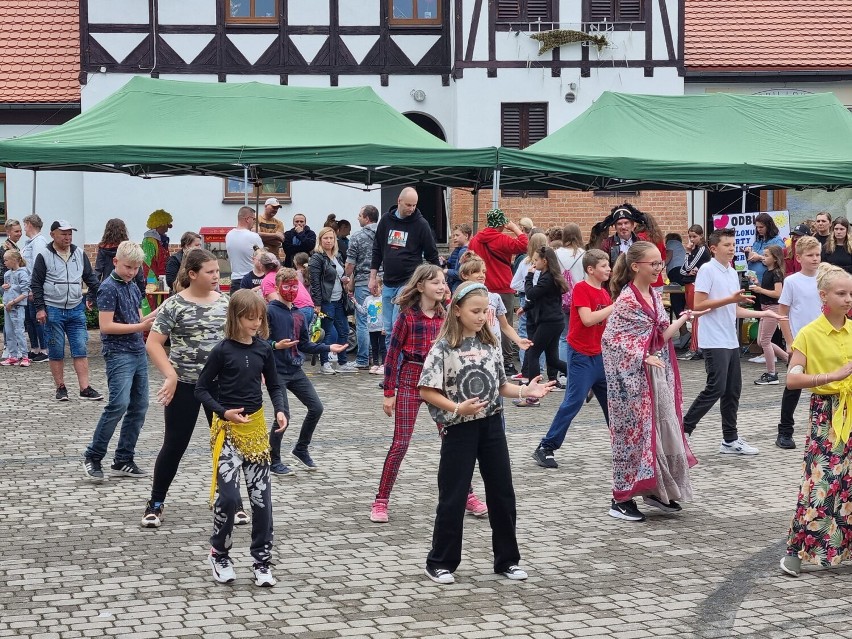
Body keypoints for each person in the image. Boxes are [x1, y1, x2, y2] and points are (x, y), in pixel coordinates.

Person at [418, 280, 554, 584]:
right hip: (459, 428)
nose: (481, 317)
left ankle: (507, 560)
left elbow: (501, 386)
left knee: (503, 494)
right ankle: (440, 561)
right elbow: (427, 390)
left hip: (492, 425)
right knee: (453, 497)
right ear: (457, 311)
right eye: (475, 311)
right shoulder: (443, 348)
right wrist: (456, 409)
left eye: (485, 312)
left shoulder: (490, 344)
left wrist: (525, 391)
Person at [370, 265, 487, 523]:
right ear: (421, 286)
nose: (442, 286)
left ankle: (466, 495)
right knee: (400, 443)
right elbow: (391, 355)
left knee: (452, 442)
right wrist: (389, 391)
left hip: (439, 382)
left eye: (444, 282)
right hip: (411, 378)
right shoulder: (407, 317)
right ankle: (381, 500)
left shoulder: (447, 316)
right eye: (436, 282)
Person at [195, 290, 287, 587]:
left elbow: (275, 384)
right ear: (236, 317)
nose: (256, 323)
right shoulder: (222, 351)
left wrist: (281, 410)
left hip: (257, 433)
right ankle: (219, 552)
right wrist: (223, 412)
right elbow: (201, 389)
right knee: (231, 498)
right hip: (228, 433)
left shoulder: (263, 349)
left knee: (261, 501)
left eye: (259, 317)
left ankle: (262, 560)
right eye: (250, 317)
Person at [602, 241, 699, 522]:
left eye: (661, 263)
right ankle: (620, 498)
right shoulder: (626, 300)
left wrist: (684, 320)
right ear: (636, 267)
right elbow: (612, 340)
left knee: (658, 433)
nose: (659, 268)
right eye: (654, 264)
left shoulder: (655, 295)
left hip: (653, 377)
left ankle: (656, 489)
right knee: (634, 437)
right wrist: (641, 356)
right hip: (631, 382)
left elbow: (657, 337)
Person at [140, 249, 230, 528]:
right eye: (210, 272)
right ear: (192, 274)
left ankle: (230, 500)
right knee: (175, 445)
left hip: (220, 387)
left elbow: (239, 342)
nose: (217, 276)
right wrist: (170, 375)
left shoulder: (227, 303)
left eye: (218, 271)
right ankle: (155, 503)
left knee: (225, 446)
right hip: (185, 386)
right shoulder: (173, 305)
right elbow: (153, 343)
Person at [681, 228, 786, 455]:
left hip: (729, 339)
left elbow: (734, 309)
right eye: (727, 245)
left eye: (733, 244)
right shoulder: (708, 270)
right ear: (714, 248)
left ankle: (730, 440)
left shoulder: (731, 272)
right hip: (713, 339)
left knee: (732, 391)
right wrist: (730, 299)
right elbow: (698, 305)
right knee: (715, 388)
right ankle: (683, 431)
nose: (732, 249)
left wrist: (764, 314)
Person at [779, 262, 852, 578]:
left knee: (849, 483)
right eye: (841, 293)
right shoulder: (809, 333)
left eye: (850, 293)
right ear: (824, 296)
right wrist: (830, 376)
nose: (848, 298)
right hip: (826, 412)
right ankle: (795, 553)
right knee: (820, 483)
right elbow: (792, 380)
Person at [532, 249, 613, 469]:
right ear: (590, 269)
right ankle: (545, 447)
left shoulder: (605, 293)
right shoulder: (581, 289)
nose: (609, 269)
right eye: (604, 266)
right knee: (573, 402)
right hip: (581, 356)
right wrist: (615, 307)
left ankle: (623, 445)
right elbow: (587, 319)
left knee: (612, 404)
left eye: (608, 265)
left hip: (600, 357)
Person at [82, 241, 156, 482]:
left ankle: (123, 458)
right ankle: (93, 456)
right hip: (118, 354)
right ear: (115, 262)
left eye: (136, 268)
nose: (132, 272)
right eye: (128, 267)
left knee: (139, 406)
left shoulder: (132, 284)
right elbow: (105, 326)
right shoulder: (108, 288)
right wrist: (142, 325)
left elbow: (137, 315)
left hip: (136, 351)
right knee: (118, 405)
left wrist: (151, 318)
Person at [266, 268, 346, 475]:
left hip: (295, 369)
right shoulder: (269, 312)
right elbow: (259, 342)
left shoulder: (299, 314)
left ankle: (301, 448)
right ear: (277, 287)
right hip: (276, 372)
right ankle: (273, 459)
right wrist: (275, 345)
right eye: (287, 286)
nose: (291, 290)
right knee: (283, 415)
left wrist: (329, 348)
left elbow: (304, 345)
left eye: (295, 286)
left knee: (316, 408)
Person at [30, 220, 102, 402]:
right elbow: (36, 284)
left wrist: (95, 296)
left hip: (76, 308)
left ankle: (84, 388)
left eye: (70, 233)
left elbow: (90, 278)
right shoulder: (44, 255)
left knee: (80, 349)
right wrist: (40, 309)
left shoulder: (79, 253)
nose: (68, 237)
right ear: (53, 234)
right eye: (63, 234)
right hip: (53, 308)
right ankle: (60, 387)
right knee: (56, 350)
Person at [369, 187, 440, 350]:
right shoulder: (386, 220)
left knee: (396, 325)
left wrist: (439, 280)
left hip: (408, 282)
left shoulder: (421, 224)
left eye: (414, 205)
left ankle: (399, 368)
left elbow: (432, 254)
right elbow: (377, 249)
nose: (411, 209)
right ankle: (391, 367)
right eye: (408, 205)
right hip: (388, 282)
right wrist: (372, 277)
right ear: (399, 202)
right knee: (387, 329)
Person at [775, 236, 822, 450]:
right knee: (792, 388)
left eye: (818, 255)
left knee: (828, 384)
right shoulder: (792, 281)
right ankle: (785, 431)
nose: (815, 259)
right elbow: (783, 313)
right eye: (810, 255)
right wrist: (790, 342)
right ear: (800, 257)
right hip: (801, 343)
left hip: (823, 340)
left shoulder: (825, 278)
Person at [467, 208, 528, 371]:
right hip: (502, 286)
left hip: (480, 287)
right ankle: (507, 361)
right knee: (504, 323)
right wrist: (515, 228)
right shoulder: (502, 239)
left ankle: (481, 355)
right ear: (502, 224)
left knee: (480, 322)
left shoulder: (475, 240)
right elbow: (525, 245)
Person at [516, 247, 568, 404]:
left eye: (536, 260)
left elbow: (531, 294)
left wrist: (529, 276)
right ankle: (583, 378)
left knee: (533, 353)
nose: (534, 263)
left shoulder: (547, 278)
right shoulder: (549, 276)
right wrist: (525, 308)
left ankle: (533, 395)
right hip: (554, 321)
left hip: (549, 322)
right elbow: (540, 299)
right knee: (552, 359)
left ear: (544, 261)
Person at [309, 226, 355, 374]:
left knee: (344, 330)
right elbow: (315, 282)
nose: (329, 241)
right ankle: (325, 364)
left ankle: (342, 362)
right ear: (320, 240)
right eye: (326, 238)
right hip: (325, 301)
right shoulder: (317, 258)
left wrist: (344, 280)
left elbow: (338, 275)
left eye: (331, 238)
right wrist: (316, 303)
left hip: (339, 299)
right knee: (326, 333)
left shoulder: (338, 256)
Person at [345, 205, 379, 369]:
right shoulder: (385, 234)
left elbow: (350, 265)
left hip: (364, 282)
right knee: (381, 322)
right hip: (383, 281)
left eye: (359, 215)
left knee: (363, 321)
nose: (357, 218)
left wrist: (347, 276)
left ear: (366, 218)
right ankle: (379, 359)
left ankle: (363, 359)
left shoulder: (357, 237)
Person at [750, 244, 788, 385]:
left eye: (766, 256)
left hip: (773, 308)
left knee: (765, 341)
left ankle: (772, 374)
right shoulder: (767, 272)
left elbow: (778, 293)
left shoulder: (777, 273)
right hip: (765, 307)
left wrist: (760, 290)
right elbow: (767, 288)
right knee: (761, 341)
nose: (763, 258)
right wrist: (757, 283)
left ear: (775, 258)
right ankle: (787, 358)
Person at [510, 233, 548, 374]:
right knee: (541, 334)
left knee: (524, 333)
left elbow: (514, 283)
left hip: (526, 299)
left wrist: (528, 287)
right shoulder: (546, 263)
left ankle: (527, 370)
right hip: (542, 300)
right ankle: (540, 368)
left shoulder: (525, 262)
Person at [678, 225, 711, 361]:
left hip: (696, 284)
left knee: (696, 315)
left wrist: (687, 253)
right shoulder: (695, 249)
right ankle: (696, 347)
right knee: (694, 315)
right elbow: (682, 270)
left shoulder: (701, 249)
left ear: (701, 236)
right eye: (690, 236)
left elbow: (688, 267)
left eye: (694, 237)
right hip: (689, 283)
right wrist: (687, 268)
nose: (691, 240)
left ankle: (695, 348)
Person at [555, 222, 586, 364]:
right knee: (579, 335)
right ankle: (578, 365)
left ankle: (563, 371)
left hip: (560, 296)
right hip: (580, 298)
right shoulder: (584, 255)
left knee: (563, 336)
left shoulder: (556, 254)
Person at [20, 214, 49, 362]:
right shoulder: (30, 242)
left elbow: (37, 267)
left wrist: (34, 288)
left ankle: (44, 349)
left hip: (34, 286)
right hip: (27, 286)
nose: (24, 228)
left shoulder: (39, 242)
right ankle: (35, 348)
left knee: (37, 318)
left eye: (25, 225)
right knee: (30, 319)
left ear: (30, 224)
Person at [94, 218, 146, 294]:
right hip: (127, 286)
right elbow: (139, 274)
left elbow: (97, 272)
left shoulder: (103, 248)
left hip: (109, 287)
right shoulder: (128, 250)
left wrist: (92, 294)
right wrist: (142, 292)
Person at [1, 249, 30, 366]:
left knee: (19, 331)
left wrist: (12, 302)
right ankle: (13, 356)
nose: (4, 263)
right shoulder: (7, 274)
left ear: (14, 260)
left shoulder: (23, 273)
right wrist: (5, 287)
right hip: (7, 307)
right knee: (9, 332)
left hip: (17, 307)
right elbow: (9, 288)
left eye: (6, 260)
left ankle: (25, 356)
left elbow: (25, 292)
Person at [141, 209, 172, 314]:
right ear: (159, 224)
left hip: (163, 278)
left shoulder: (162, 240)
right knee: (152, 306)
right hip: (153, 280)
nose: (167, 229)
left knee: (162, 307)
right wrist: (153, 283)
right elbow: (147, 264)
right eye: (166, 226)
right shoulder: (149, 241)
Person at [225, 206, 262, 295]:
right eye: (254, 219)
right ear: (248, 219)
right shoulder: (253, 236)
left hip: (235, 279)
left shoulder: (229, 235)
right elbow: (262, 257)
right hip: (251, 279)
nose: (254, 222)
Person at [743, 212, 786, 285]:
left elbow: (779, 261)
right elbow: (751, 258)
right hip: (751, 280)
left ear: (769, 226)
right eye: (757, 227)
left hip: (766, 282)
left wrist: (759, 257)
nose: (758, 229)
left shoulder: (777, 241)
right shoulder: (758, 240)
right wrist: (748, 252)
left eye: (761, 227)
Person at [664, 232, 688, 344]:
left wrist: (660, 265)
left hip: (676, 273)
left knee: (676, 302)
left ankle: (684, 333)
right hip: (683, 274)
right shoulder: (681, 248)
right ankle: (684, 333)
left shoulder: (671, 243)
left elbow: (668, 256)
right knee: (682, 303)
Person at [444, 223, 471, 293]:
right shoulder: (458, 249)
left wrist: (446, 271)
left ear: (466, 236)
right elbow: (453, 264)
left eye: (457, 235)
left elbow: (459, 273)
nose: (454, 238)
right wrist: (445, 262)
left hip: (459, 285)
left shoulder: (464, 251)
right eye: (454, 236)